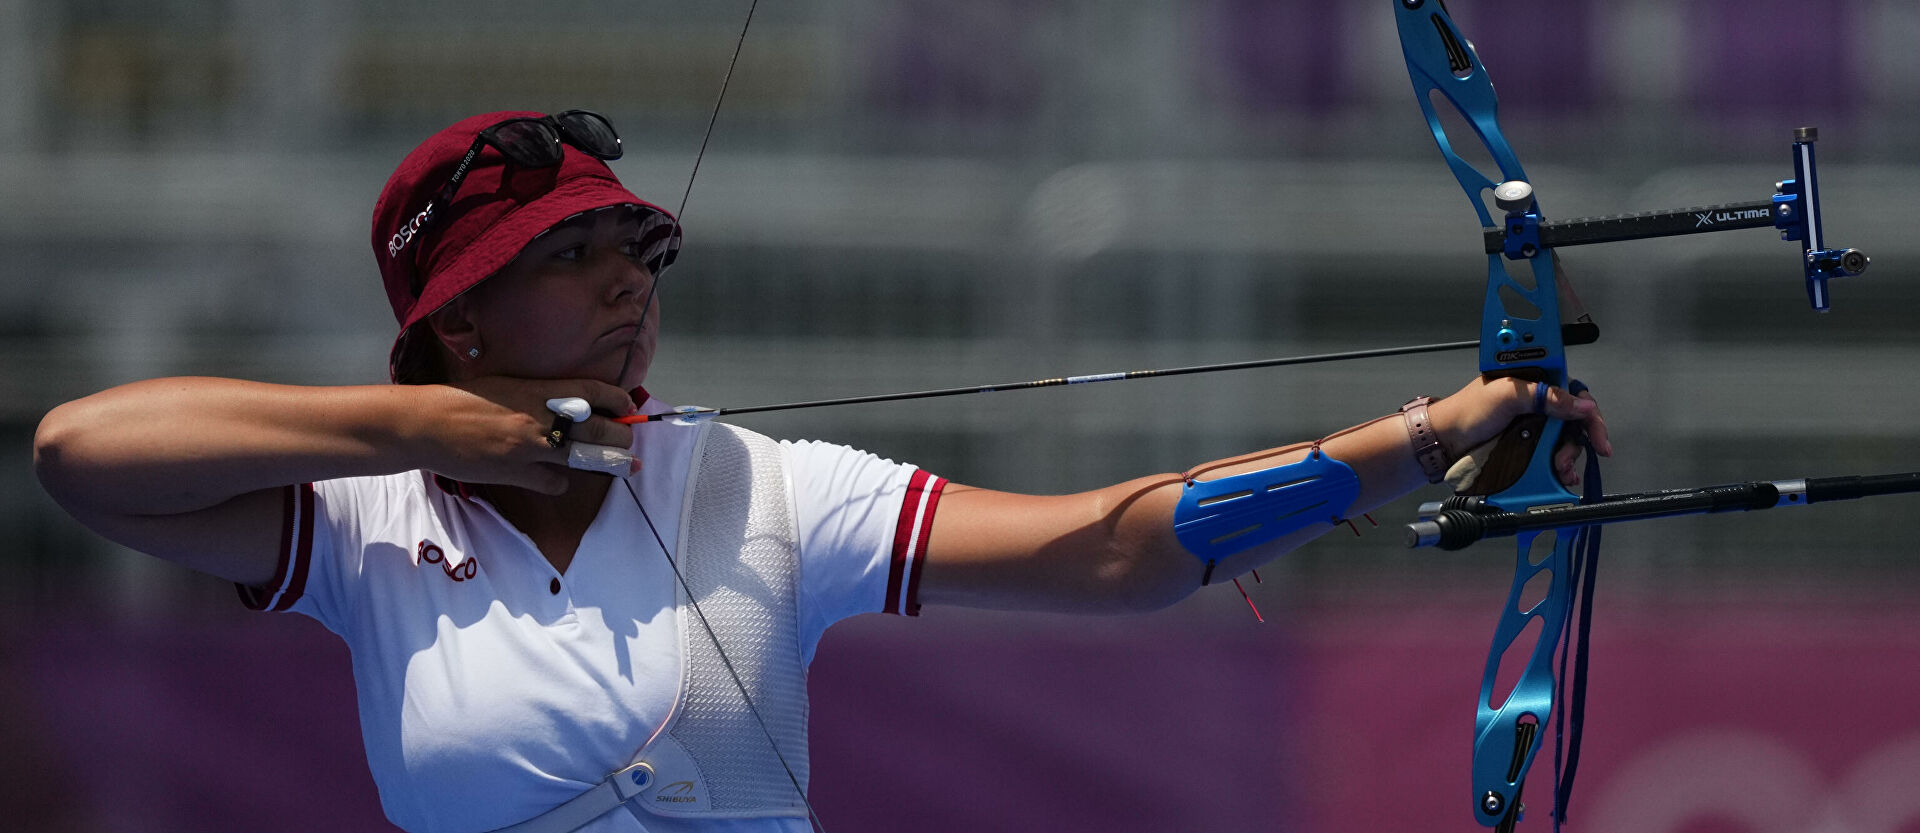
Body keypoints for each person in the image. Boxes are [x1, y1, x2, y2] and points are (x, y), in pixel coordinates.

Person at [33, 110, 1610, 833]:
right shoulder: (365, 526)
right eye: (567, 259)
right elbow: (83, 455)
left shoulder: (765, 492)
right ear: (453, 319)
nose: (626, 285)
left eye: (632, 250)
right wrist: (413, 431)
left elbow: (1112, 548)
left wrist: (1423, 438)